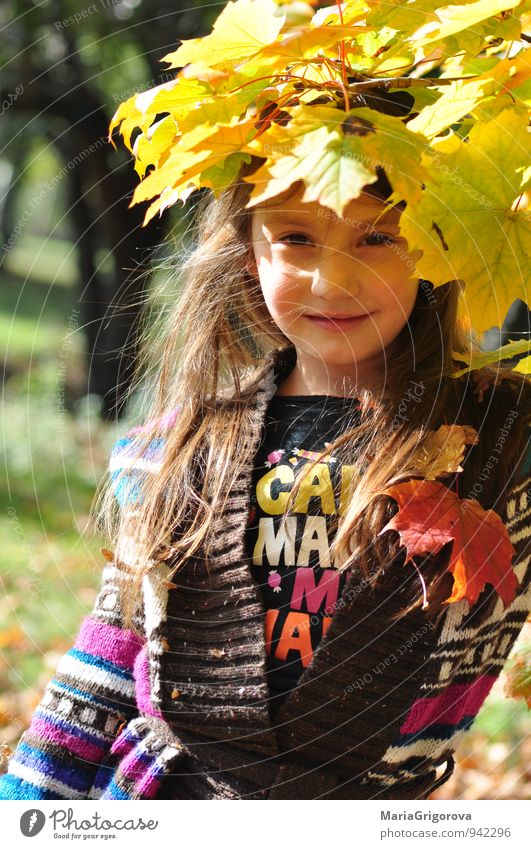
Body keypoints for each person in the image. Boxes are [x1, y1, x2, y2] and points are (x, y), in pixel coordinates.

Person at [0, 162, 530, 801]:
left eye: (378, 238)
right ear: (247, 248)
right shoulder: (173, 449)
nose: (332, 279)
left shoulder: (505, 446)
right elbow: (105, 668)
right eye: (297, 239)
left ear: (442, 247)